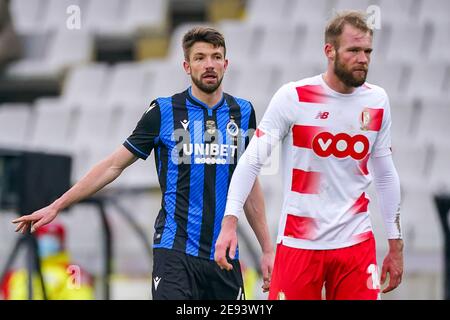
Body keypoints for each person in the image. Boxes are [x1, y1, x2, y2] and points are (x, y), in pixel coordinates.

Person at [11, 26, 274, 300]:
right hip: (175, 252)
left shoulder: (243, 112)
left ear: (225, 63)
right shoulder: (163, 111)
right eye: (200, 57)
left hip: (224, 253)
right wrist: (57, 205)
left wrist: (267, 248)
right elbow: (114, 165)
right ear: (187, 66)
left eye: (216, 57)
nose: (209, 64)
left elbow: (248, 180)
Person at [215, 11, 404, 300]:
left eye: (367, 51)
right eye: (353, 50)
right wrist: (230, 223)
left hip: (356, 244)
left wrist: (395, 244)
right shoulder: (295, 96)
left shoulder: (377, 100)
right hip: (299, 243)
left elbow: (386, 174)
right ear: (330, 50)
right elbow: (251, 160)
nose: (363, 59)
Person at [1, 221, 94, 300]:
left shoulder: (73, 271)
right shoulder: (18, 274)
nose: (46, 242)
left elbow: (80, 296)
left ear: (61, 242)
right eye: (43, 237)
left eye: (53, 238)